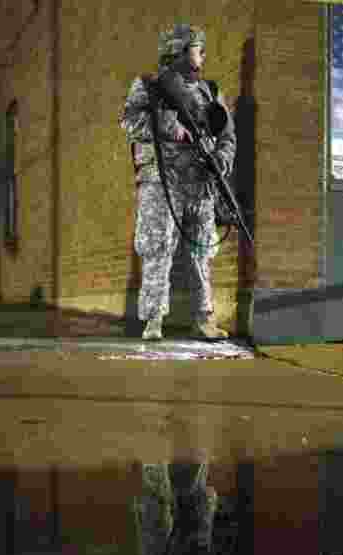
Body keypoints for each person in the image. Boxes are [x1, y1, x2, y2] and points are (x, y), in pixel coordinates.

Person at [119, 23, 236, 341]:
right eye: (198, 48)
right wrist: (172, 127)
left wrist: (222, 160)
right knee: (157, 248)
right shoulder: (149, 86)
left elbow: (227, 135)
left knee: (202, 252)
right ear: (181, 51)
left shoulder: (210, 91)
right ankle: (153, 320)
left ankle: (203, 318)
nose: (204, 55)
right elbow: (130, 122)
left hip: (200, 182)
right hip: (162, 180)